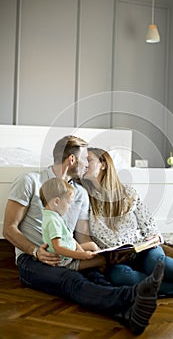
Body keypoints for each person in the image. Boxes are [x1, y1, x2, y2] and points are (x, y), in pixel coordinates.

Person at [3, 135, 164, 336]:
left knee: (97, 277)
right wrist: (35, 252)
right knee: (71, 280)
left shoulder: (79, 193)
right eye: (85, 160)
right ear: (71, 160)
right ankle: (132, 296)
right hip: (32, 260)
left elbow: (82, 237)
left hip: (69, 254)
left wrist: (99, 254)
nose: (87, 165)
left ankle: (130, 316)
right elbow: (9, 228)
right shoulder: (29, 182)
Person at [80, 147, 173, 300]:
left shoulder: (128, 193)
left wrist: (146, 244)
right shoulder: (83, 198)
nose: (84, 164)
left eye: (89, 160)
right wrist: (105, 257)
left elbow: (151, 228)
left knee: (156, 264)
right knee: (120, 278)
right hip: (115, 261)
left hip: (143, 250)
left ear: (103, 164)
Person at [40, 177, 104, 270]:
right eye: (69, 203)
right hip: (64, 261)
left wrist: (80, 250)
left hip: (70, 249)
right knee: (102, 260)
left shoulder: (55, 216)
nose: (69, 207)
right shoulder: (53, 221)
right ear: (56, 202)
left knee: (92, 245)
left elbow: (69, 237)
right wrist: (80, 255)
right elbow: (58, 248)